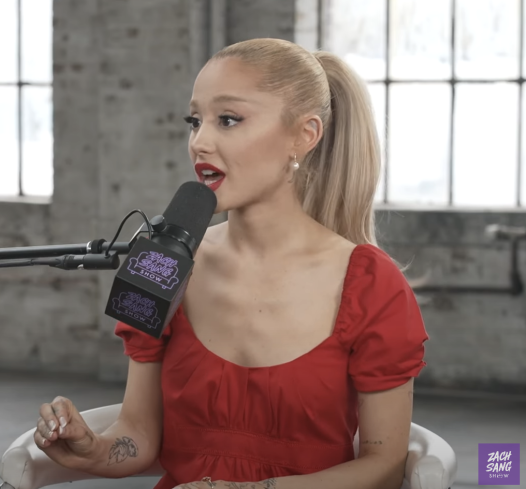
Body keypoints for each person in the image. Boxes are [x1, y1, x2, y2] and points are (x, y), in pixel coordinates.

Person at [32, 38, 429, 489]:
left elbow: (383, 467)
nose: (200, 142)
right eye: (194, 120)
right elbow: (138, 436)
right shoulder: (157, 263)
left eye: (228, 120)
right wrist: (94, 449)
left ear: (305, 134)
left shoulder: (372, 285)